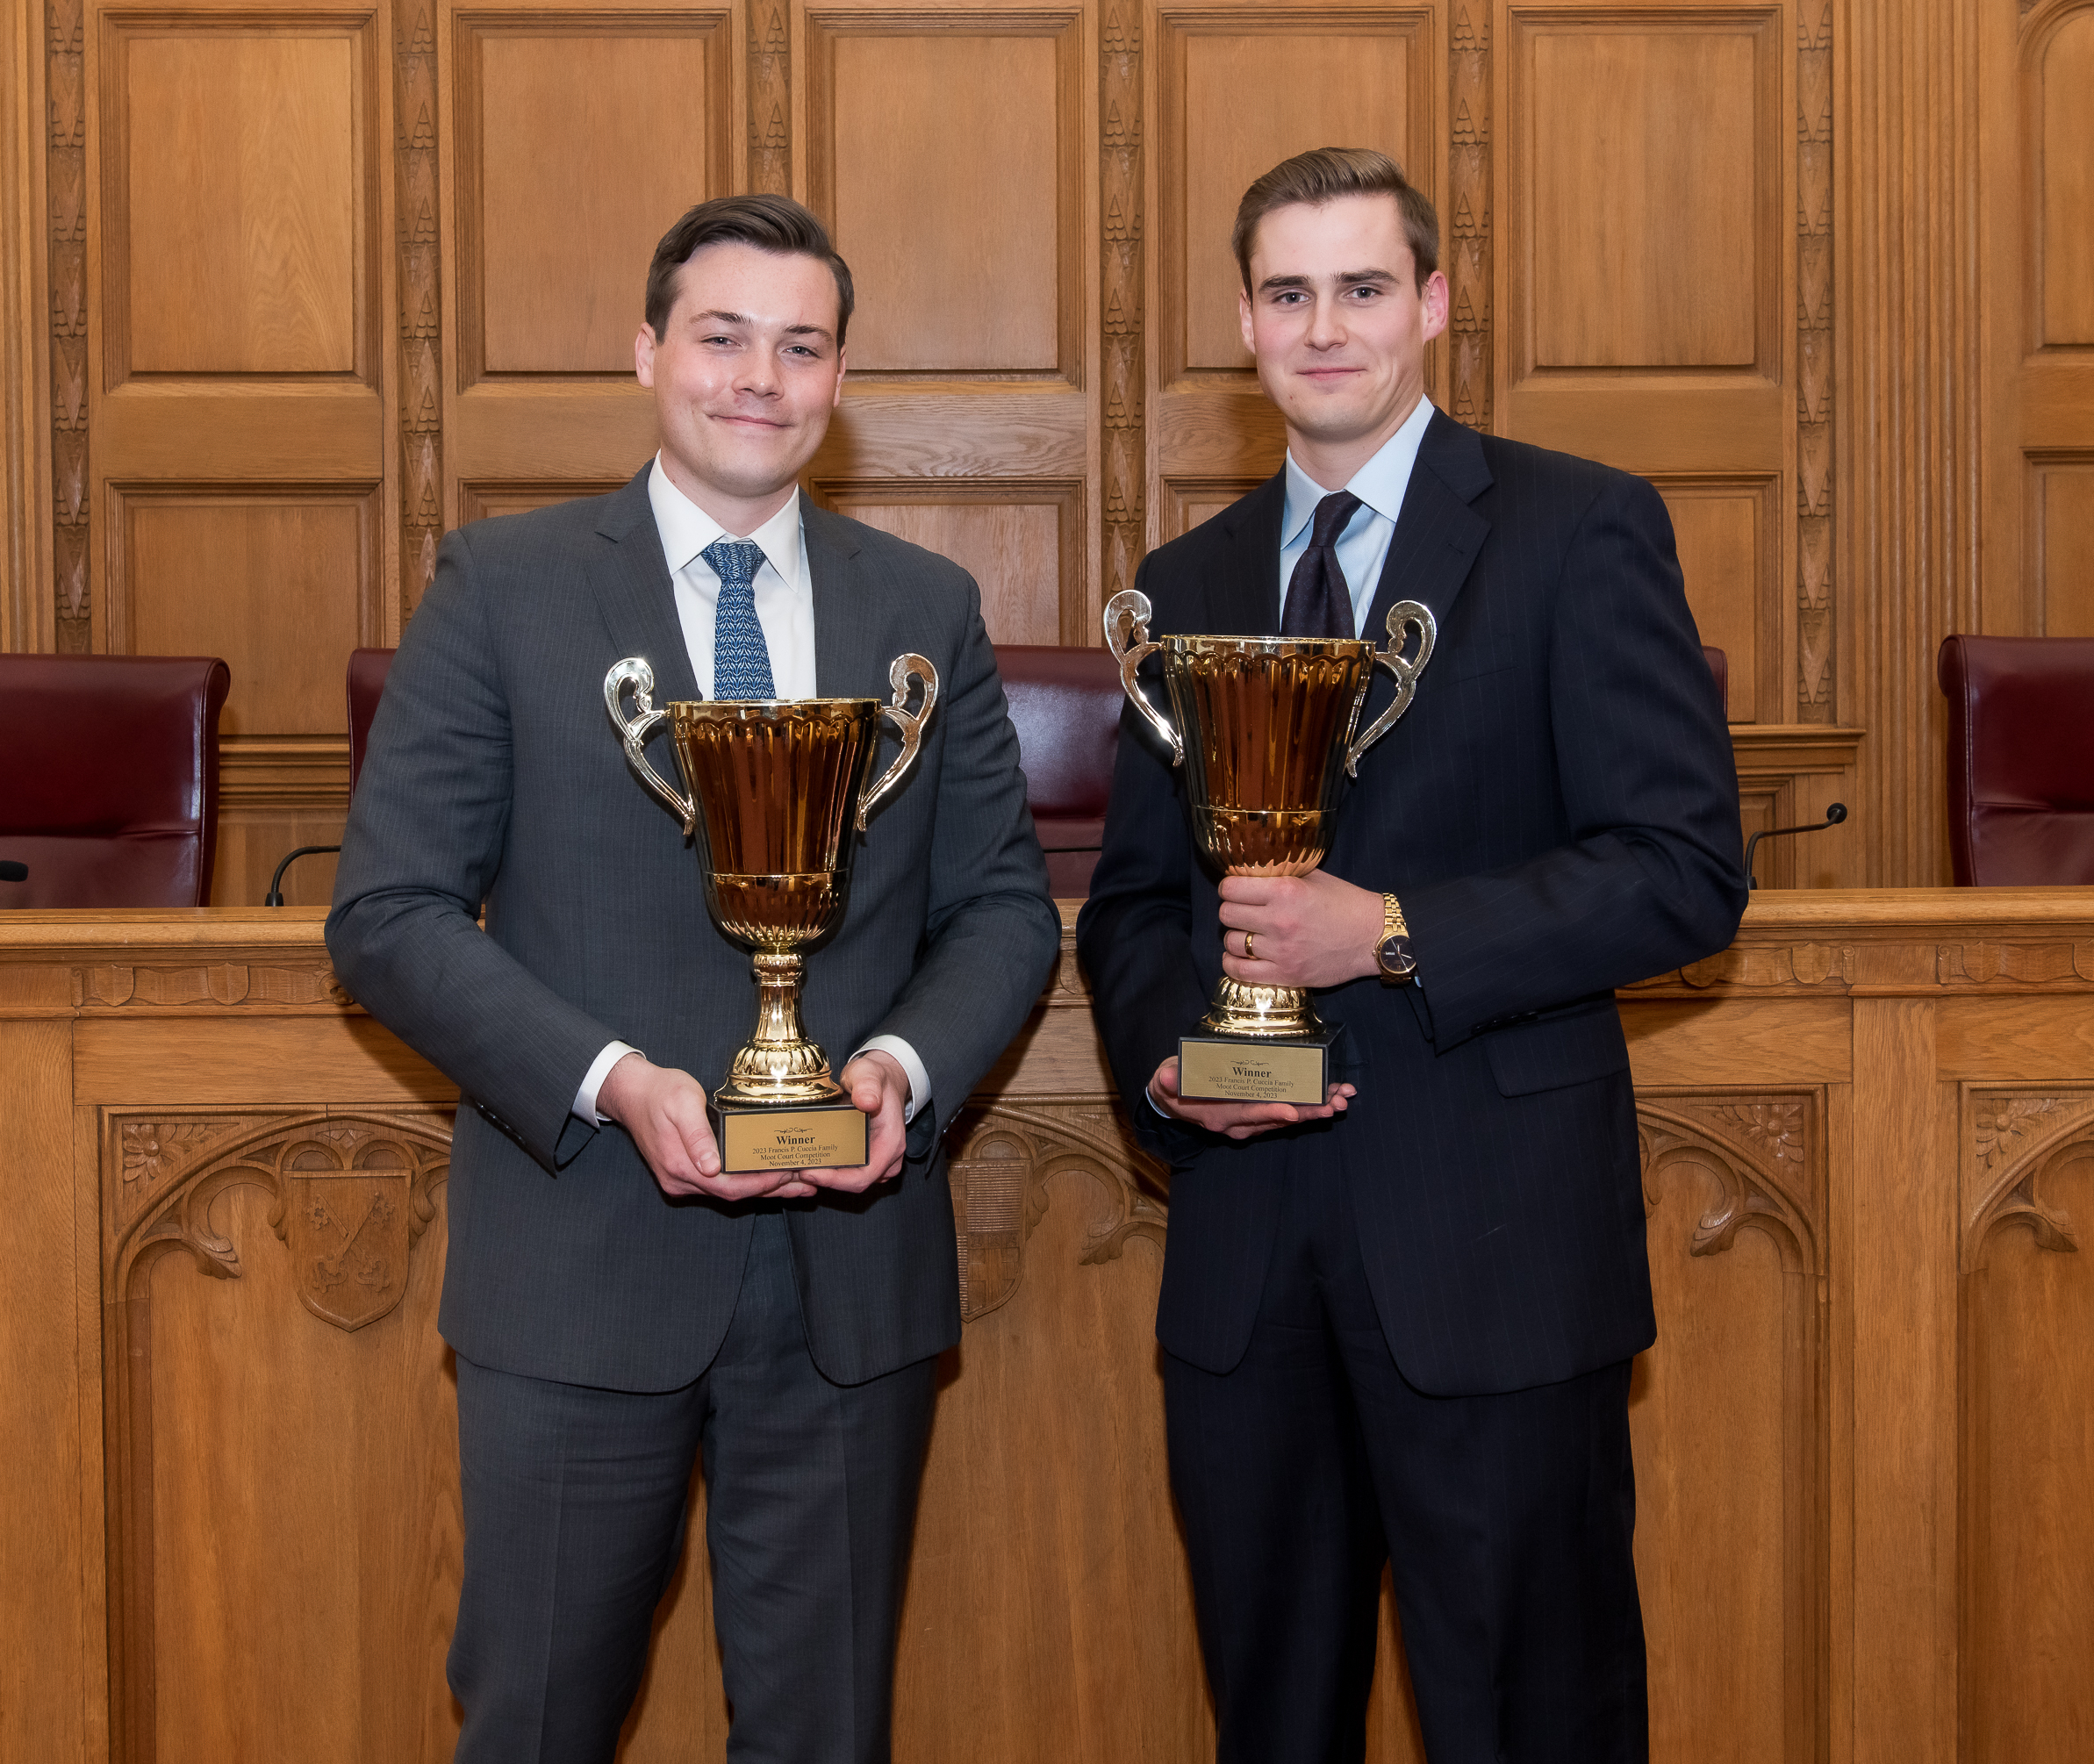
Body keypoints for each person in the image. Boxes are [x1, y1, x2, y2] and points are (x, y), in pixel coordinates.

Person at [327, 194, 1059, 1764]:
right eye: (722, 337)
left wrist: (904, 1071)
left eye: (800, 346)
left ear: (838, 376)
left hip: (845, 1274)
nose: (759, 378)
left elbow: (1002, 906)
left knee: (825, 1736)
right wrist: (611, 1080)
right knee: (534, 1721)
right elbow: (384, 912)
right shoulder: (501, 587)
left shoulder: (922, 613)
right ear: (648, 349)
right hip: (580, 1260)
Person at [1075, 147, 1747, 1762]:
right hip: (1246, 1270)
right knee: (1272, 1727)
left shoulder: (1579, 527)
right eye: (1289, 293)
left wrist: (1384, 932)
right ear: (1244, 321)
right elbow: (1129, 910)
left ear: (1430, 306)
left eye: (1362, 289)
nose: (1325, 329)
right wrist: (1171, 1064)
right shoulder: (1185, 585)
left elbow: (1681, 870)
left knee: (1533, 1724)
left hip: (1493, 1259)